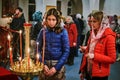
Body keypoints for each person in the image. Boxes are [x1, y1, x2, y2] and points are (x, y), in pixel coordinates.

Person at [79, 11, 116, 80]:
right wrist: (86, 49)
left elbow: (112, 59)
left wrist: (94, 56)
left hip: (100, 73)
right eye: (91, 21)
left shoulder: (109, 36)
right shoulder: (92, 33)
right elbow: (95, 49)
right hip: (89, 69)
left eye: (94, 21)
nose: (91, 24)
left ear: (101, 22)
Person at [37, 8, 69, 80]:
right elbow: (37, 49)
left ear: (57, 20)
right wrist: (43, 64)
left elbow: (66, 51)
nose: (51, 22)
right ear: (46, 19)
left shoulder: (63, 31)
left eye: (53, 19)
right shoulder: (43, 31)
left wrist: (56, 68)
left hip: (58, 63)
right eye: (49, 19)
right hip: (45, 64)